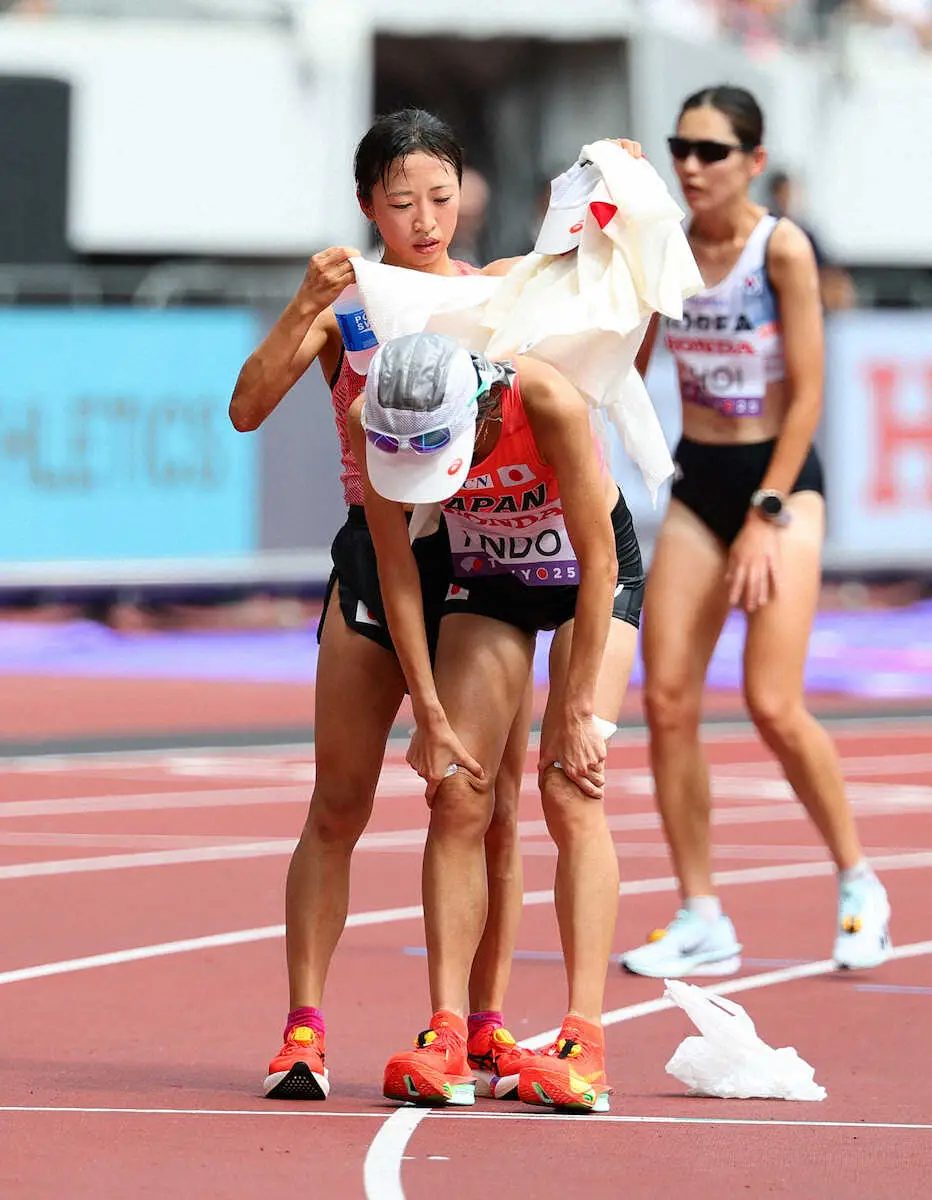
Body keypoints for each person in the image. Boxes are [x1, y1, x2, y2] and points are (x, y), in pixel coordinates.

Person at [229, 108, 538, 1103]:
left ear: (464, 196)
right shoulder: (346, 301)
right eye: (399, 202)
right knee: (338, 804)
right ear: (367, 206)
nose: (423, 219)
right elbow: (245, 407)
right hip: (373, 553)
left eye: (440, 198)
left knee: (485, 807)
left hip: (478, 556)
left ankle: (481, 1024)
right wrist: (299, 308)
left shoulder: (494, 295)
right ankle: (303, 1030)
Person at [621, 85, 891, 980]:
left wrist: (768, 515)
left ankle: (858, 882)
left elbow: (811, 393)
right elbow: (630, 364)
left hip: (780, 482)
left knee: (772, 702)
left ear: (753, 163)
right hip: (702, 480)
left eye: (711, 152)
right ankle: (702, 912)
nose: (691, 166)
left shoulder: (783, 250)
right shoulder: (665, 248)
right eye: (679, 148)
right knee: (665, 702)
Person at [348, 331, 646, 1112]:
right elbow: (399, 575)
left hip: (588, 575)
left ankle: (585, 1043)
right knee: (456, 793)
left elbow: (601, 563)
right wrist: (431, 713)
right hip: (487, 579)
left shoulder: (541, 398)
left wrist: (577, 708)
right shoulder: (369, 417)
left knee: (569, 785)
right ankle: (446, 1033)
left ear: (478, 412)